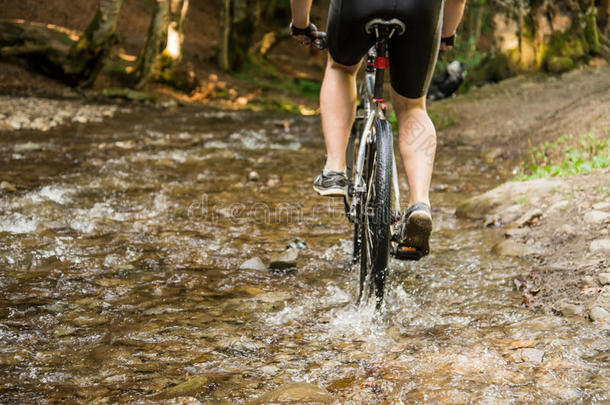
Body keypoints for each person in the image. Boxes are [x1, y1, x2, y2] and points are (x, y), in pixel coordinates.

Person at [290, 0, 466, 258]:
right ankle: (419, 204)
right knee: (412, 107)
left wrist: (301, 24)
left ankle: (335, 170)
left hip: (358, 7)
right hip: (419, 9)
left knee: (341, 68)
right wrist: (446, 32)